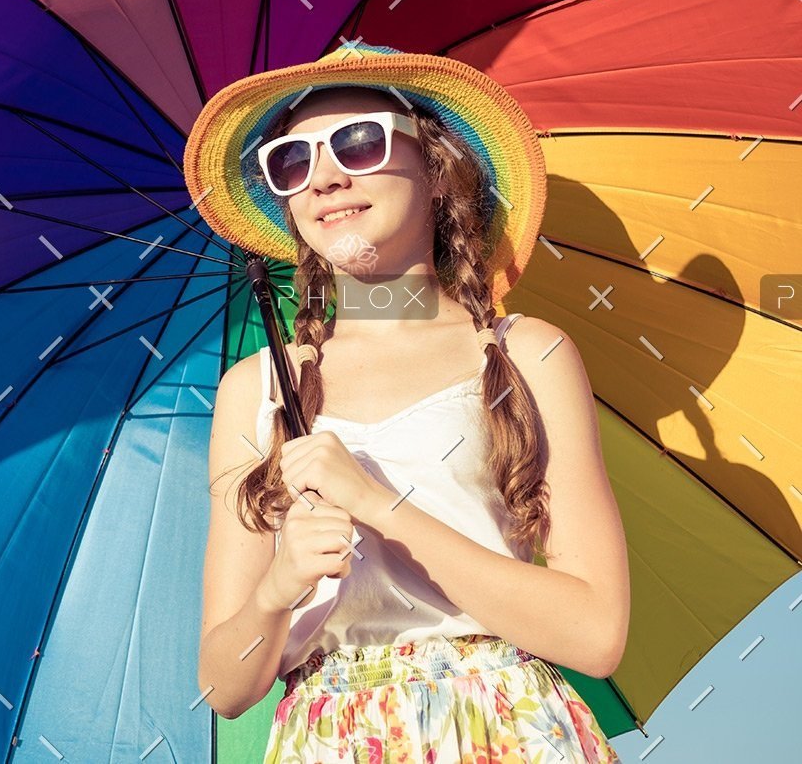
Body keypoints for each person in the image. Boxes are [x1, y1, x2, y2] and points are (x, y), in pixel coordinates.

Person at [186, 42, 629, 762]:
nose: (324, 177)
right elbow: (223, 685)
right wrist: (276, 587)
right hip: (330, 741)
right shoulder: (256, 390)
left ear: (435, 167)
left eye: (357, 143)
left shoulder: (528, 355)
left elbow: (596, 632)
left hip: (508, 731)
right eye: (292, 161)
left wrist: (377, 504)